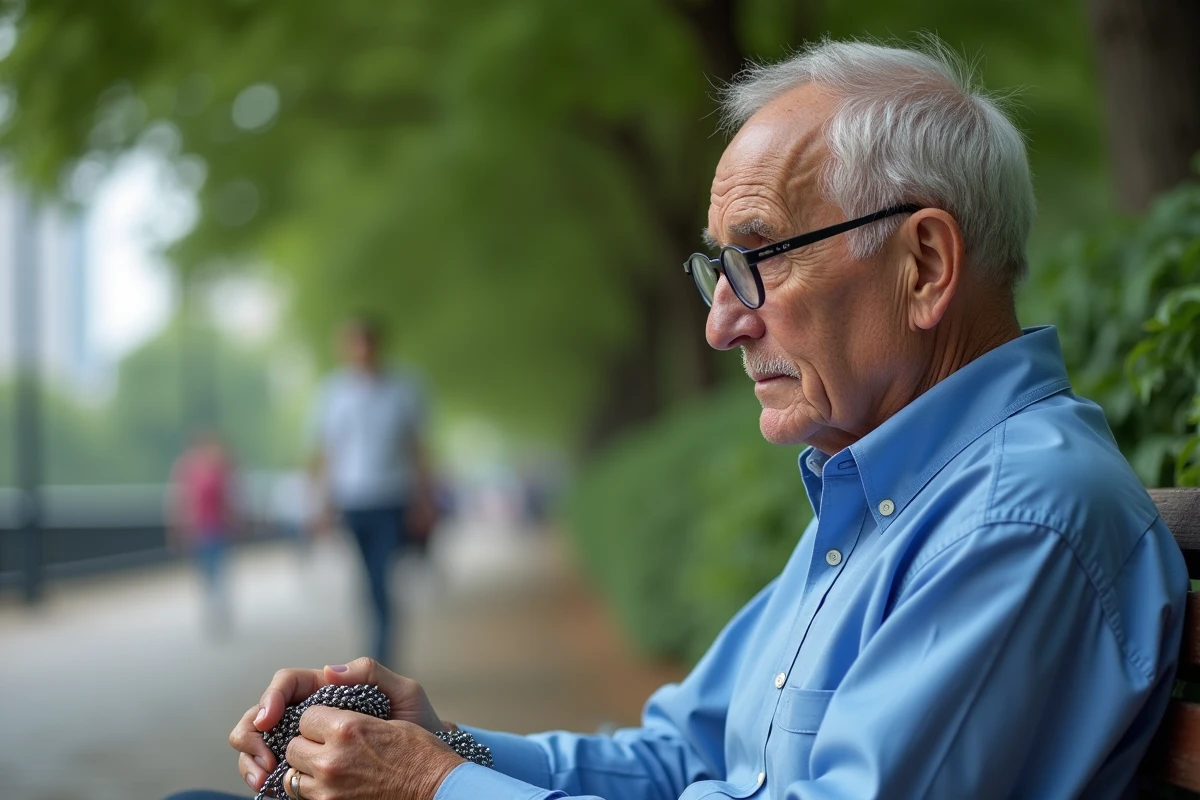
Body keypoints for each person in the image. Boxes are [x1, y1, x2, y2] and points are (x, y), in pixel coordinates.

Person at [182, 38, 1188, 800]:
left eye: (759, 255)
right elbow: (681, 753)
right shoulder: (896, 493)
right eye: (716, 266)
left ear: (924, 265)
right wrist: (448, 743)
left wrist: (434, 783)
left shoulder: (1017, 518)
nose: (720, 320)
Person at [309, 316, 436, 667]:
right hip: (353, 500)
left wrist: (425, 500)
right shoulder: (334, 393)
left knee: (382, 575)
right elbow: (328, 452)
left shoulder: (402, 390)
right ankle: (378, 648)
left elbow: (417, 448)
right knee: (367, 579)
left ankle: (379, 656)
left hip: (392, 497)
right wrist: (320, 503)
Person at [168, 429, 239, 637]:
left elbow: (229, 496)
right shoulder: (187, 468)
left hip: (217, 528)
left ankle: (219, 608)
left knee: (219, 569)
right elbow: (180, 499)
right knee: (206, 572)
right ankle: (212, 609)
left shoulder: (219, 467)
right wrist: (178, 527)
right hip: (199, 529)